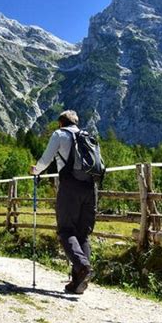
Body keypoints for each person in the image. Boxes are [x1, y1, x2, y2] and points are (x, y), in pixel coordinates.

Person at [30, 110, 97, 294]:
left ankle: (83, 266)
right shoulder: (88, 136)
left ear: (61, 123)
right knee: (82, 235)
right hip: (91, 188)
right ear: (75, 123)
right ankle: (77, 283)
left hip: (70, 187)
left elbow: (46, 159)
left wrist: (36, 171)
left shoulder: (60, 134)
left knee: (66, 230)